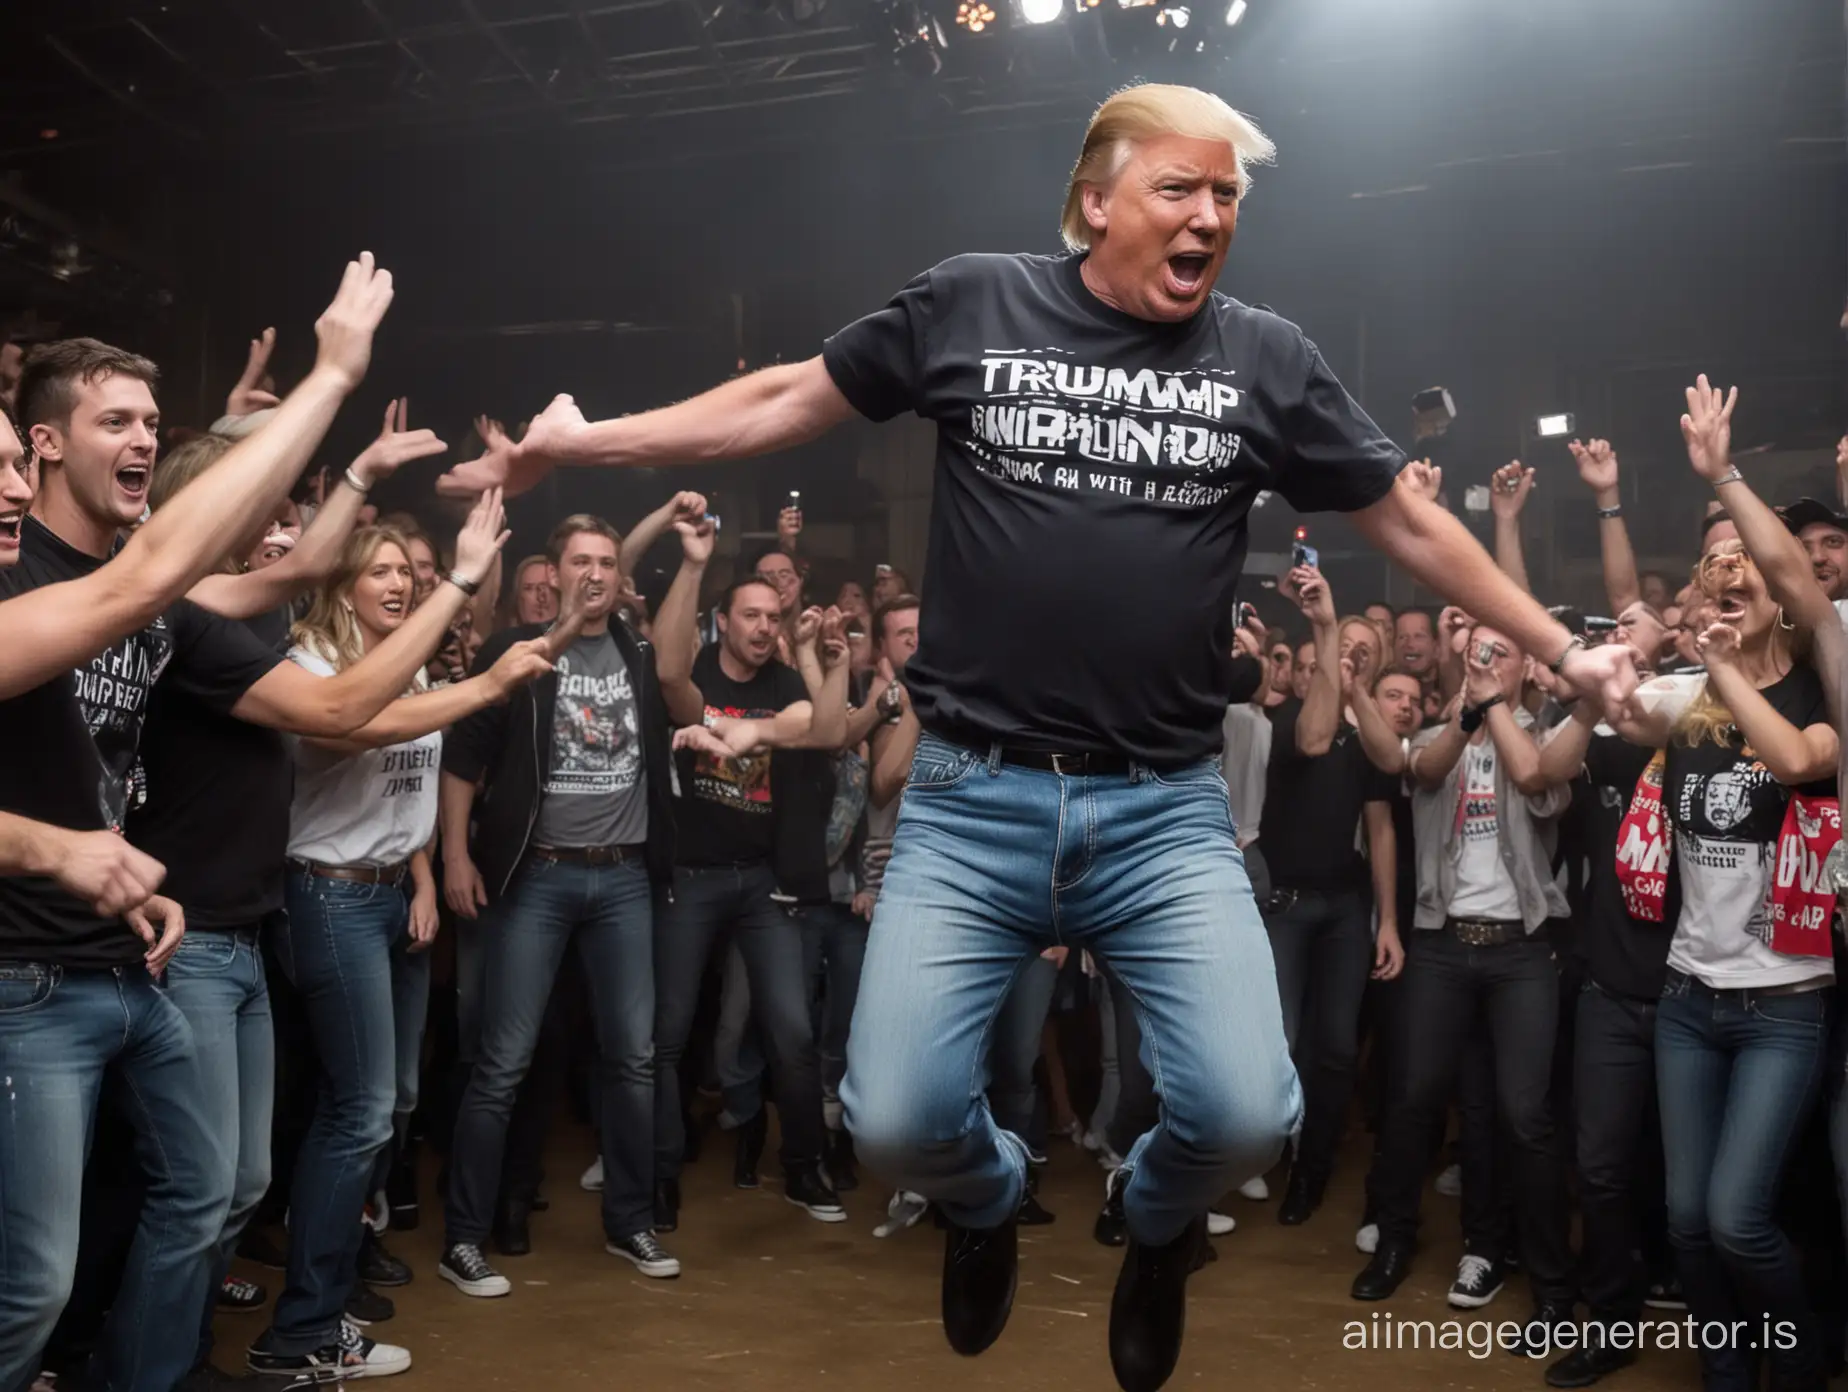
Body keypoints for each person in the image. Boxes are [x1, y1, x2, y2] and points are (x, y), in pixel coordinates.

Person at [436, 82, 1635, 1392]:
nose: (1209, 216)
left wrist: (1570, 650)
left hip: (1162, 812)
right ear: (1095, 201)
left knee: (1248, 1115)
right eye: (1179, 188)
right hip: (968, 803)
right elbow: (785, 399)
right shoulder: (974, 303)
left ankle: (1162, 1224)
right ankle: (992, 1198)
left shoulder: (1266, 358)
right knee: (893, 1123)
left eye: (1228, 195)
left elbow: (1408, 523)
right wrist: (585, 444)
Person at [246, 512, 558, 1380]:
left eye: (403, 575)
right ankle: (302, 1328)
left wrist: (421, 876)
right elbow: (350, 732)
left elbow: (403, 791)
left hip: (390, 898)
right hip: (330, 900)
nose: (395, 585)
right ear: (340, 579)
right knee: (355, 1114)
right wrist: (488, 683)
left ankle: (328, 1300)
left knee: (380, 1108)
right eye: (377, 572)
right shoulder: (309, 664)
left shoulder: (408, 662)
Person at [1608, 380, 1841, 1392]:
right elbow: (1612, 704)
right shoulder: (1684, 701)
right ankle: (1728, 1375)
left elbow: (1795, 760)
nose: (1730, 578)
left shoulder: (1823, 689)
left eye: (1746, 569)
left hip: (1787, 1006)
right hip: (1689, 1002)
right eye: (1714, 572)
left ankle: (1799, 1360)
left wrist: (1722, 476)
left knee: (1743, 1218)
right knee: (1687, 1219)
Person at [439, 513, 681, 1296]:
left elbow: (682, 681)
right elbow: (463, 761)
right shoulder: (517, 654)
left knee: (634, 1060)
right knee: (502, 1062)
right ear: (558, 570)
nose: (595, 574)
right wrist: (453, 855)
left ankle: (631, 1222)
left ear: (619, 574)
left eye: (608, 562)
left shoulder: (640, 654)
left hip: (622, 881)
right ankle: (465, 1237)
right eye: (581, 561)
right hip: (536, 877)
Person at [0, 257, 396, 700]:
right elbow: (142, 577)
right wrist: (330, 378)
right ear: (48, 442)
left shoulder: (155, 585)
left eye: (151, 425)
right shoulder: (15, 567)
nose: (146, 441)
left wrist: (487, 681)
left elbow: (330, 705)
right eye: (116, 422)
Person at [647, 521, 851, 1226]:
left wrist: (754, 730)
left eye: (773, 617)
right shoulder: (697, 668)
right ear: (724, 621)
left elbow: (821, 726)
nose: (764, 628)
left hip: (762, 881)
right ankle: (658, 1171)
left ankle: (803, 1168)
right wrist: (695, 564)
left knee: (791, 1033)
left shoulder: (786, 680)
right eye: (751, 616)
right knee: (669, 1032)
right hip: (693, 878)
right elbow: (669, 676)